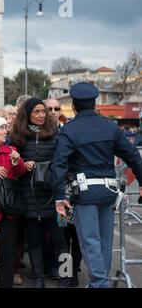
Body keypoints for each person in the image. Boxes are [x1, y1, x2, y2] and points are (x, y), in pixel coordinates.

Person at [52, 82, 142, 288]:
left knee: (89, 241)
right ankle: (102, 281)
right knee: (104, 243)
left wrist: (59, 195)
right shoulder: (110, 127)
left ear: (73, 106)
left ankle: (100, 283)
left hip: (84, 195)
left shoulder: (69, 130)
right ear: (94, 104)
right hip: (109, 193)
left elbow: (58, 165)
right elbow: (133, 156)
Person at [10, 97, 69, 288]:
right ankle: (38, 277)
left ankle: (65, 277)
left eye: (43, 111)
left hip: (55, 195)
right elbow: (11, 162)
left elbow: (64, 160)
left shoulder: (56, 133)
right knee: (34, 240)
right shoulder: (18, 136)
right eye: (36, 112)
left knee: (61, 240)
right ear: (27, 114)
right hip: (28, 194)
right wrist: (21, 163)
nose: (41, 115)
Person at [0, 116, 26, 288]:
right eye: (2, 128)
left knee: (7, 254)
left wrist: (17, 162)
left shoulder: (11, 150)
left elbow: (19, 173)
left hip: (7, 209)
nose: (5, 131)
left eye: (6, 128)